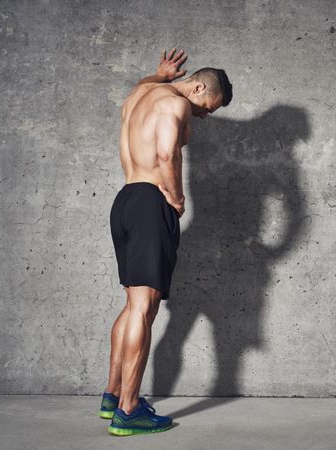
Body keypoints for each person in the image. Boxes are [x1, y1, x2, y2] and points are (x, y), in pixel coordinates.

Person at [98, 48, 233, 436]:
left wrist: (157, 73)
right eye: (209, 105)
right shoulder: (175, 105)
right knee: (144, 308)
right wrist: (175, 196)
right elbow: (165, 150)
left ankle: (112, 395)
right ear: (197, 86)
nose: (206, 114)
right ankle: (128, 410)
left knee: (132, 306)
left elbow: (143, 84)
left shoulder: (139, 96)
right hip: (151, 202)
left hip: (124, 201)